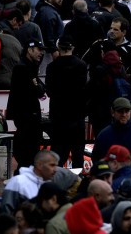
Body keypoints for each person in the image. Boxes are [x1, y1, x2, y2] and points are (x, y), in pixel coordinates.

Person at [46, 36, 88, 168]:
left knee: (57, 153)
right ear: (72, 48)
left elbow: (49, 91)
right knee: (78, 153)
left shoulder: (52, 67)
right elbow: (84, 90)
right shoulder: (81, 65)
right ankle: (78, 181)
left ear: (59, 48)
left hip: (58, 116)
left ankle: (54, 180)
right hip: (77, 115)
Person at [8, 40, 46, 171]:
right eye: (38, 49)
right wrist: (38, 86)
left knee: (29, 152)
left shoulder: (29, 66)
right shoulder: (23, 67)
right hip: (27, 116)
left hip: (27, 115)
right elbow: (38, 91)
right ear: (29, 50)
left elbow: (40, 89)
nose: (41, 53)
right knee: (28, 153)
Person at [0, 150, 59, 215]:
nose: (55, 170)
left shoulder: (51, 184)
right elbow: (5, 213)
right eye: (52, 165)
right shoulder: (17, 182)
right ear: (39, 165)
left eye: (56, 166)